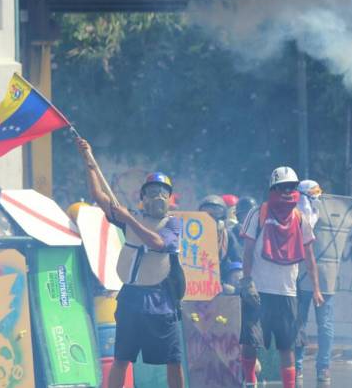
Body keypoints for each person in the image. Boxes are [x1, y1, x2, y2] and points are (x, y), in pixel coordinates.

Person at [76, 138, 185, 388]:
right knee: (121, 358)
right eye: (152, 192)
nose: (157, 196)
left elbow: (159, 244)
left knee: (173, 360)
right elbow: (99, 196)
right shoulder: (132, 218)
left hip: (161, 301)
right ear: (143, 197)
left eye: (163, 193)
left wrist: (129, 220)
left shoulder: (173, 223)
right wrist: (89, 161)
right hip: (131, 299)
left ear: (170, 198)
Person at [239, 166, 324, 388]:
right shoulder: (257, 214)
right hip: (258, 290)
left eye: (292, 188)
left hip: (287, 292)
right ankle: (250, 382)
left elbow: (309, 256)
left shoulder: (300, 219)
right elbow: (247, 250)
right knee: (250, 341)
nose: (287, 192)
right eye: (282, 187)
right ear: (273, 189)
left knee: (287, 346)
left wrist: (316, 289)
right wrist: (247, 281)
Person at [293, 180, 335, 383]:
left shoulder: (325, 213)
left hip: (325, 278)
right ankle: (297, 366)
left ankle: (324, 366)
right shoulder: (295, 215)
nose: (317, 196)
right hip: (300, 276)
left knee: (325, 325)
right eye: (313, 193)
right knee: (298, 323)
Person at [198, 195, 242, 285]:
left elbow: (237, 259)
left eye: (216, 214)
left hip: (221, 278)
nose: (211, 219)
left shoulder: (227, 235)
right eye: (207, 214)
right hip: (195, 278)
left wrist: (234, 274)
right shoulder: (192, 235)